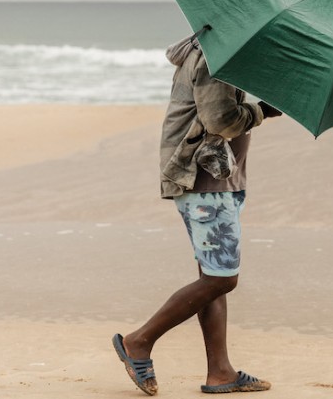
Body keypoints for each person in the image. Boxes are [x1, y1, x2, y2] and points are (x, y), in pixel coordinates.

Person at [112, 30, 282, 396]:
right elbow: (221, 119)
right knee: (222, 278)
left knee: (212, 274)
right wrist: (263, 111)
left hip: (218, 179)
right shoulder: (214, 56)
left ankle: (220, 372)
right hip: (202, 181)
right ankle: (139, 341)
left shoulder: (219, 50)